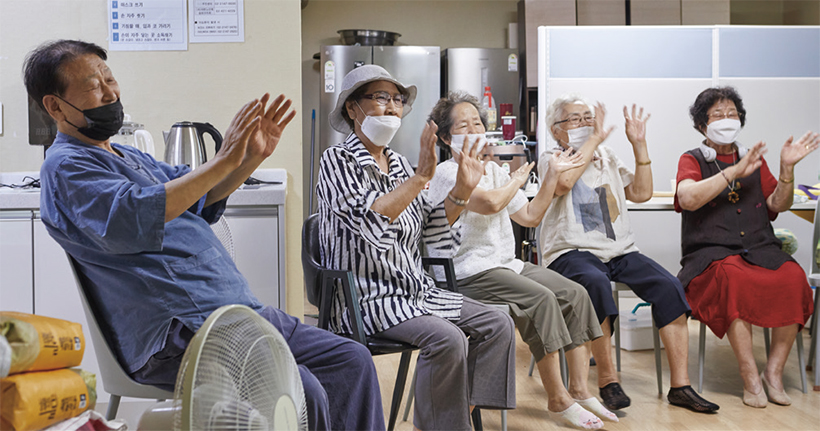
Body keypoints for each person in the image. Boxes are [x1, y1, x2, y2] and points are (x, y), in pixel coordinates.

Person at [25, 39, 384, 431]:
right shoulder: (65, 169)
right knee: (305, 390)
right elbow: (138, 214)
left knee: (351, 360)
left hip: (237, 313)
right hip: (178, 330)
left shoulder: (129, 157)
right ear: (55, 106)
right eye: (95, 86)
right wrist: (225, 157)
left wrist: (250, 159)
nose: (111, 92)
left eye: (110, 79)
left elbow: (199, 195)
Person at [316, 65, 516, 431]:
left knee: (498, 322)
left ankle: (456, 411)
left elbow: (432, 234)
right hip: (367, 298)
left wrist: (461, 192)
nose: (392, 107)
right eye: (380, 97)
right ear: (352, 108)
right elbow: (370, 229)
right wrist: (422, 178)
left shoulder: (400, 165)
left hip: (416, 292)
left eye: (397, 99)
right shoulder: (336, 162)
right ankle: (447, 422)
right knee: (448, 339)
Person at [426, 91, 615, 430]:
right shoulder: (446, 172)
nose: (473, 129)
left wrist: (552, 177)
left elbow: (529, 215)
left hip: (504, 263)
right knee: (540, 299)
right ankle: (558, 399)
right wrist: (517, 179)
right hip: (467, 269)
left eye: (477, 123)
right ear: (445, 137)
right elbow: (491, 204)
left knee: (575, 293)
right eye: (463, 125)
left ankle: (579, 389)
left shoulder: (497, 171)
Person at [538, 93, 720, 413]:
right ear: (555, 130)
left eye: (588, 118)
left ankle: (681, 386)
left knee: (669, 286)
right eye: (574, 119)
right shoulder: (552, 157)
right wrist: (592, 141)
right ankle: (608, 380)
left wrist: (639, 146)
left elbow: (640, 192)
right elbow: (564, 183)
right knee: (594, 283)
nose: (584, 124)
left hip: (619, 250)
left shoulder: (606, 155)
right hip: (571, 251)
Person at [675, 86, 818, 408]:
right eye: (717, 115)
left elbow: (776, 204)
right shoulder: (693, 159)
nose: (727, 120)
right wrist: (734, 171)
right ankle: (749, 375)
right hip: (710, 254)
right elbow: (687, 198)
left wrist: (786, 170)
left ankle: (774, 373)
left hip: (760, 247)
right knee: (733, 279)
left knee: (793, 278)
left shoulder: (755, 159)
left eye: (732, 114)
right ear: (702, 125)